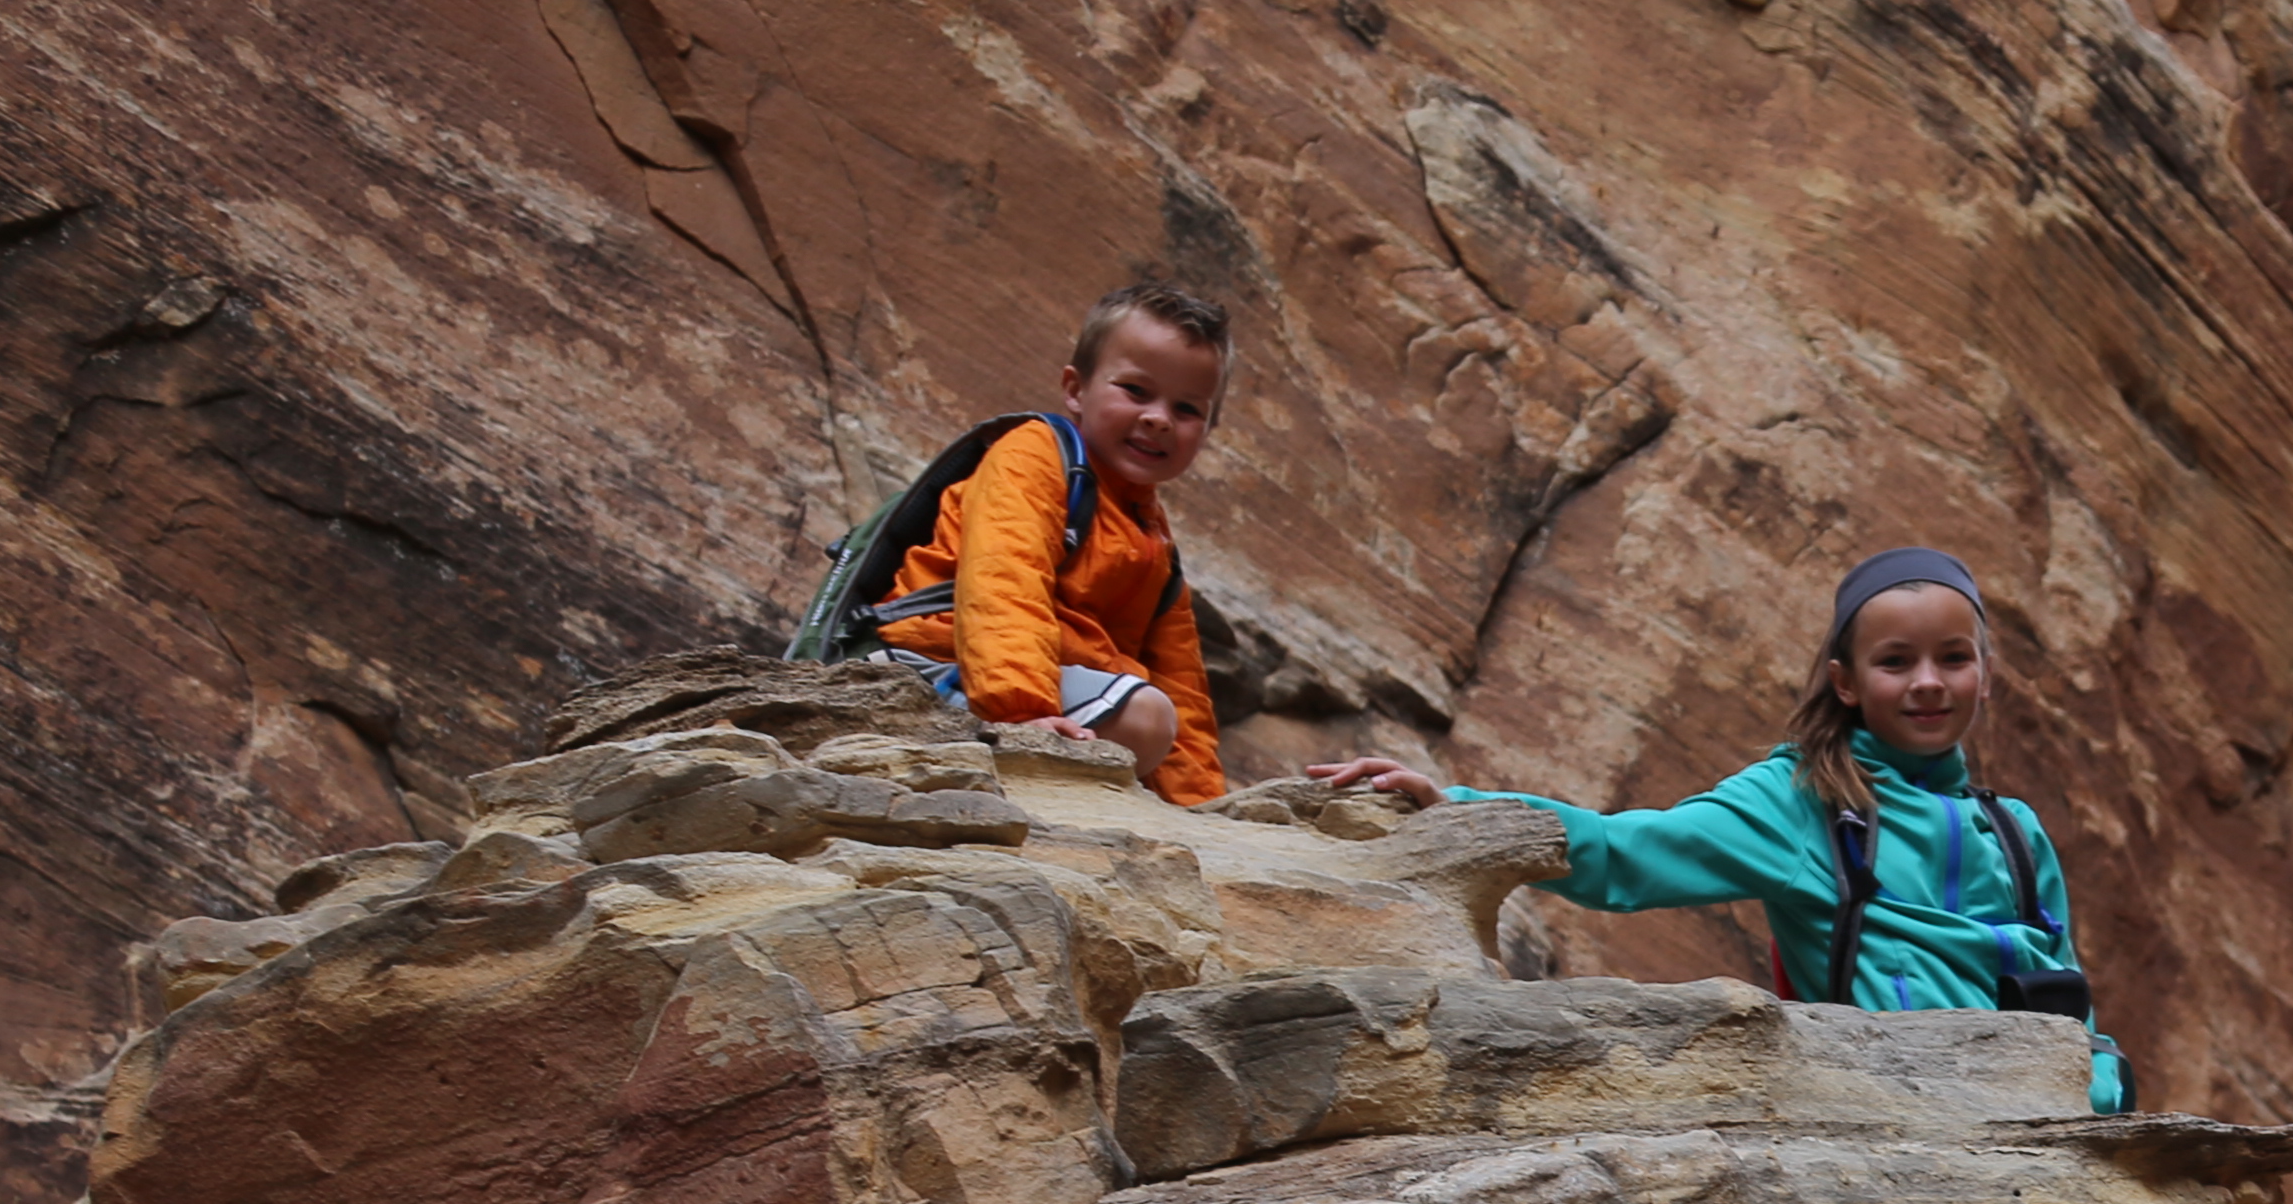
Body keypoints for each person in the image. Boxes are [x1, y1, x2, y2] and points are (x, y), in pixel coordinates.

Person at [1311, 547, 2129, 1112]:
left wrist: (2105, 1089)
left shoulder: (2015, 831)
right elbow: (1626, 853)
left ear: (1984, 674)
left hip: (2046, 1123)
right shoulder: (1804, 802)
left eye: (1954, 657)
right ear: (1845, 683)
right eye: (1895, 662)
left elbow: (2068, 995)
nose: (1927, 683)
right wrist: (1455, 808)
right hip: (1908, 1111)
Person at [863, 282, 1234, 806]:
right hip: (941, 664)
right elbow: (1004, 581)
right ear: (1076, 389)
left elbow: (1183, 685)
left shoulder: (1151, 536)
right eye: (1135, 390)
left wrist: (1201, 806)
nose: (1158, 418)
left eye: (1188, 409)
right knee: (1146, 717)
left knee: (1157, 713)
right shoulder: (1034, 456)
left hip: (1040, 686)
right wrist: (1023, 712)